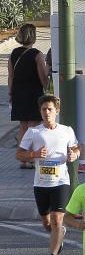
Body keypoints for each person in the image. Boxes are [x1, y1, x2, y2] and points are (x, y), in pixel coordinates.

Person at [16, 94, 79, 255]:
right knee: (46, 223)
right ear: (40, 111)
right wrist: (33, 155)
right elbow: (19, 154)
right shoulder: (34, 132)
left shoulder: (66, 130)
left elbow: (76, 147)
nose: (46, 112)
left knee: (57, 220)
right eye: (43, 109)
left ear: (57, 111)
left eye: (50, 109)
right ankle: (58, 238)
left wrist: (75, 154)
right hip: (41, 184)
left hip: (61, 182)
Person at [8, 23, 49, 160]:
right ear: (34, 37)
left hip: (18, 93)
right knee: (33, 126)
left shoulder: (13, 54)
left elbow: (11, 76)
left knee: (23, 127)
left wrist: (10, 93)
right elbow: (43, 76)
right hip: (33, 93)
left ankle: (23, 158)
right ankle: (31, 157)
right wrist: (48, 89)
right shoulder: (37, 55)